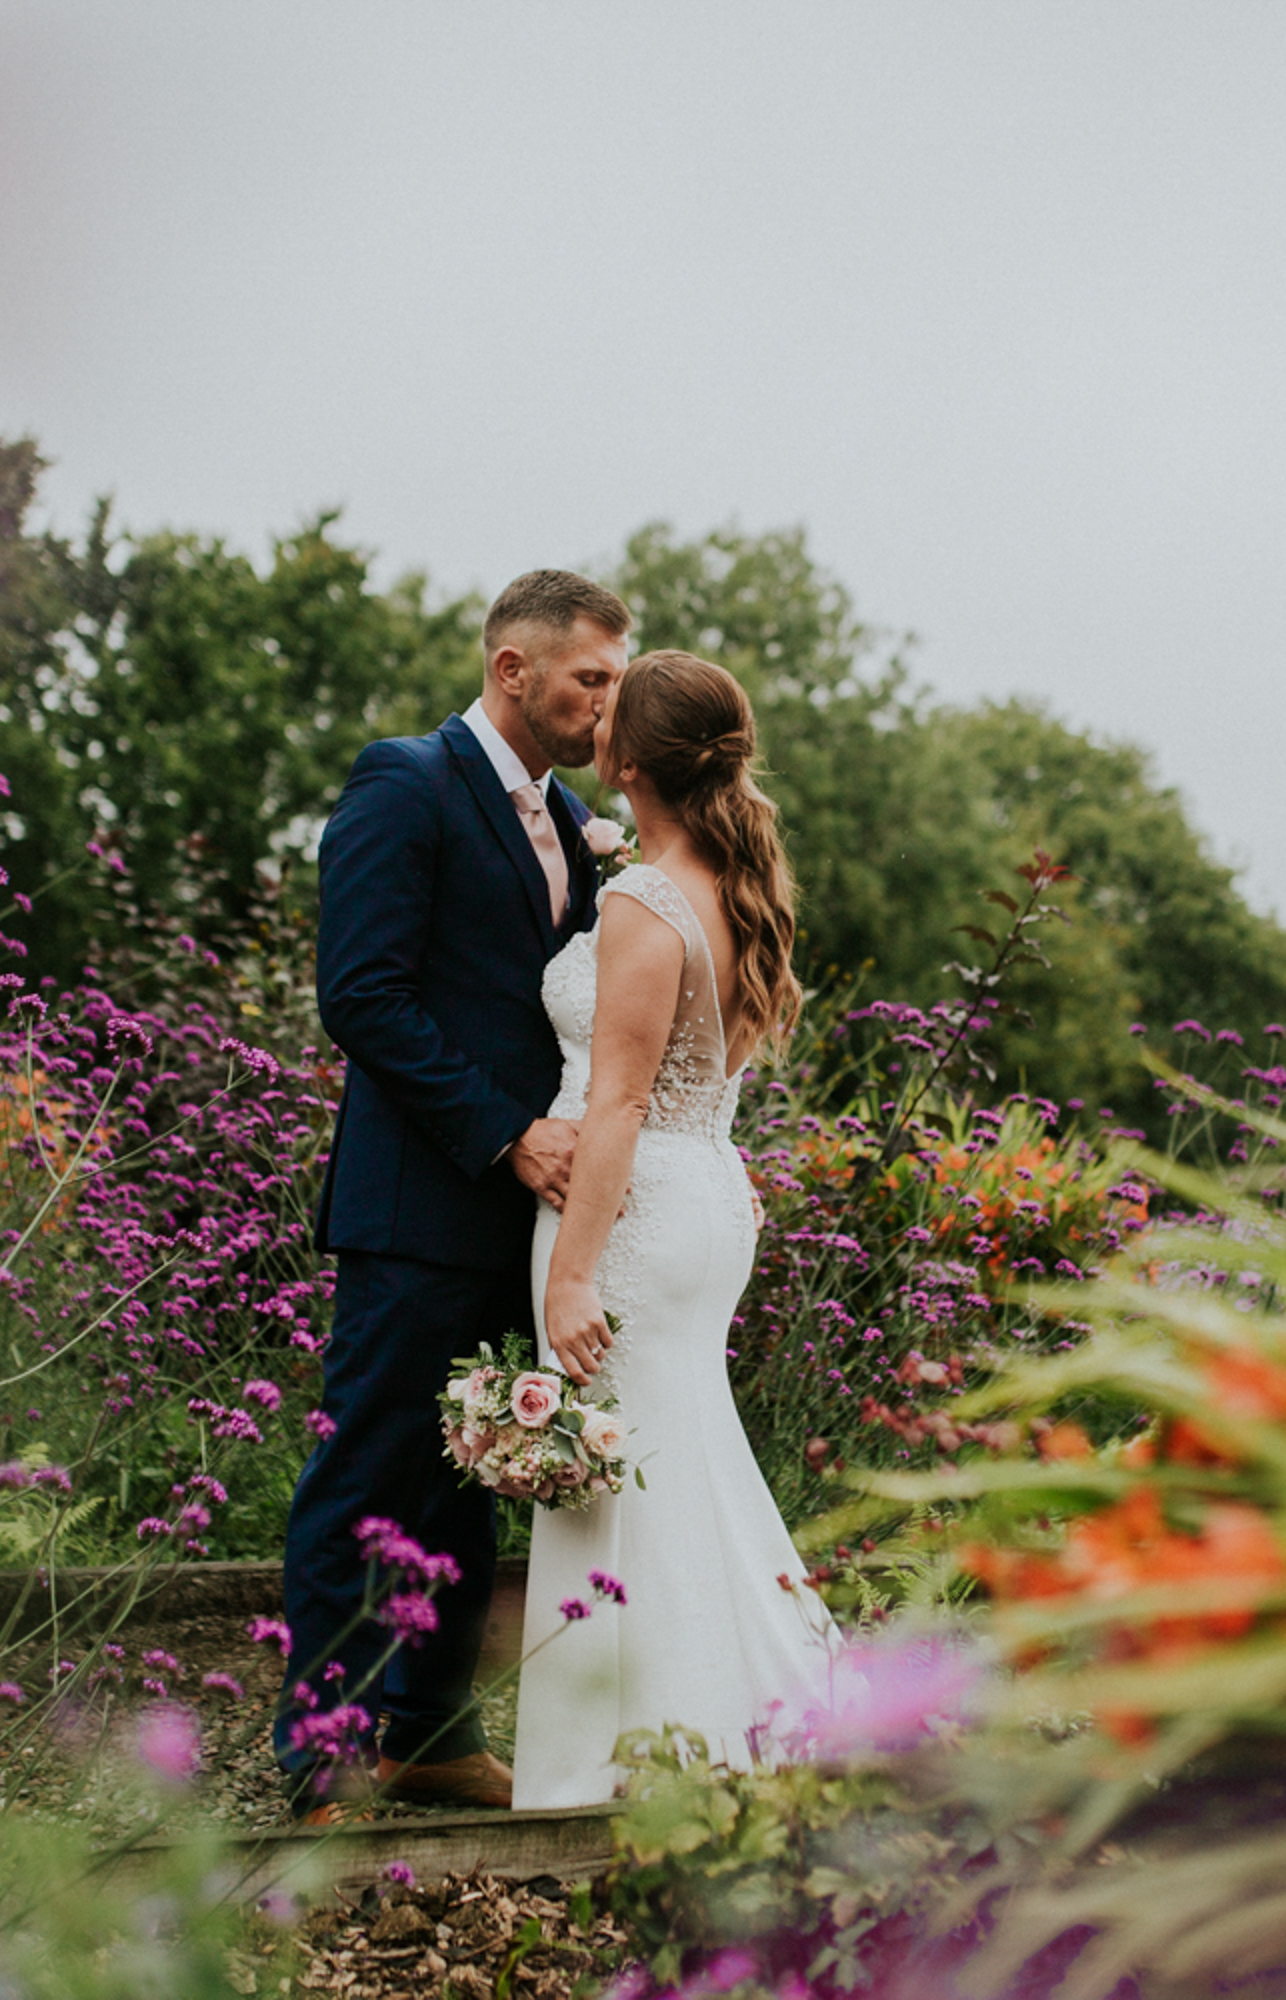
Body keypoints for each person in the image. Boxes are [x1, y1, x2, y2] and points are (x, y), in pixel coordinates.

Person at [280, 569, 628, 1820]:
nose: (608, 699)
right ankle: (321, 1751)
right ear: (512, 670)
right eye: (591, 675)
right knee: (368, 1472)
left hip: (523, 1216)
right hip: (421, 1199)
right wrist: (506, 1135)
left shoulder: (574, 815)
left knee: (477, 1476)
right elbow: (362, 995)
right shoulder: (404, 780)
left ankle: (428, 1732)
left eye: (616, 678)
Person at [514, 648, 837, 1810]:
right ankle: (740, 1723)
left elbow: (620, 1102)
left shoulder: (649, 901)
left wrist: (575, 1277)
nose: (592, 720)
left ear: (629, 760)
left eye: (610, 711)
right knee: (678, 1454)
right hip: (705, 1189)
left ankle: (619, 1767)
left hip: (635, 1209)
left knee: (616, 1477)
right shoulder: (733, 886)